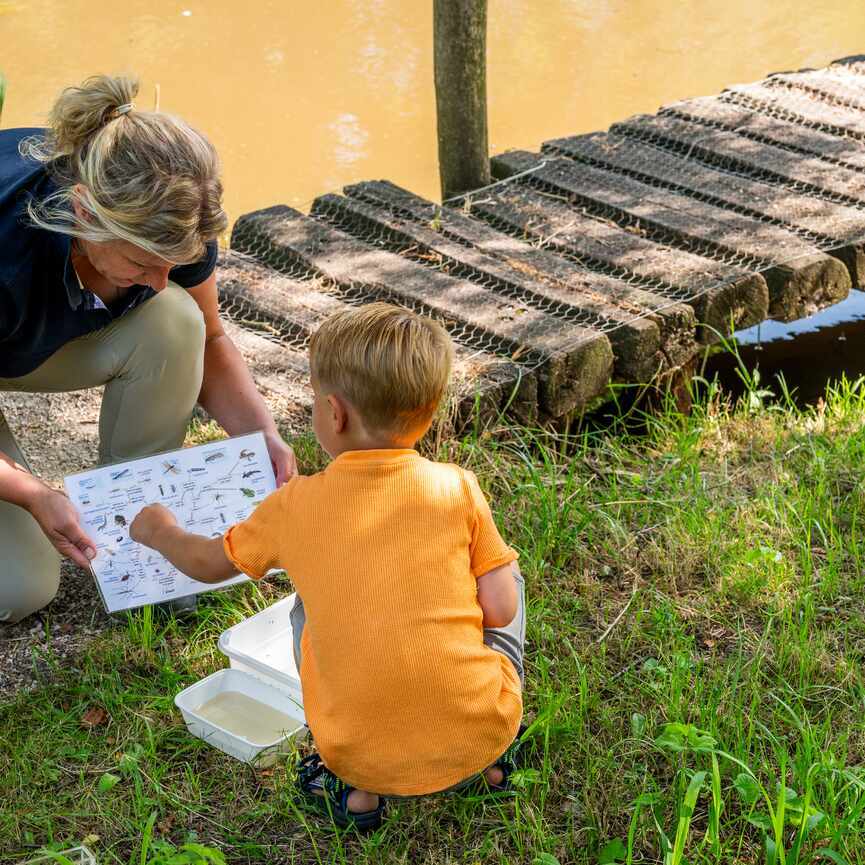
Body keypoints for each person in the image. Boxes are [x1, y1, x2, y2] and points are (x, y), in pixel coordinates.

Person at [130, 303, 526, 830]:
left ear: (334, 413)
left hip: (354, 748)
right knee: (505, 575)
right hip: (484, 726)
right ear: (431, 410)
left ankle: (360, 796)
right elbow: (500, 610)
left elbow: (206, 564)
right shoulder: (457, 487)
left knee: (304, 608)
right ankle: (493, 770)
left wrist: (160, 531)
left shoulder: (295, 504)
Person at [0, 75, 296, 623]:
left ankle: (132, 517)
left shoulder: (174, 219)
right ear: (85, 215)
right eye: (143, 265)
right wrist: (32, 493)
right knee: (18, 589)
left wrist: (262, 435)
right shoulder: (7, 254)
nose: (161, 281)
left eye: (172, 262)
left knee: (176, 319)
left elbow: (209, 337)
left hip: (18, 340)